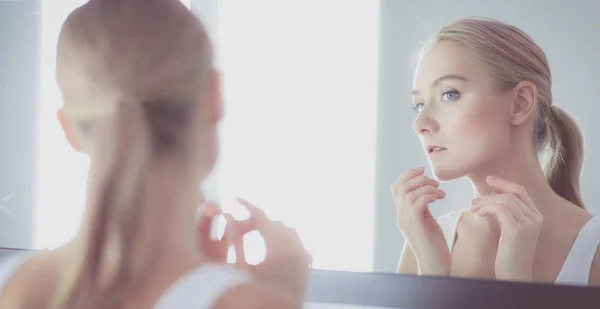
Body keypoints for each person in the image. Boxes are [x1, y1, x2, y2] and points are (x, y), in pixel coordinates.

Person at [0, 0, 310, 308]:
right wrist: (282, 288)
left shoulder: (12, 287)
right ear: (215, 98)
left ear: (70, 129)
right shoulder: (255, 304)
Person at [392, 17, 600, 286]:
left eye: (449, 94)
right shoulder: (424, 242)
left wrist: (517, 287)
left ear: (519, 103)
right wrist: (432, 277)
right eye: (419, 105)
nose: (420, 124)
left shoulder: (592, 249)